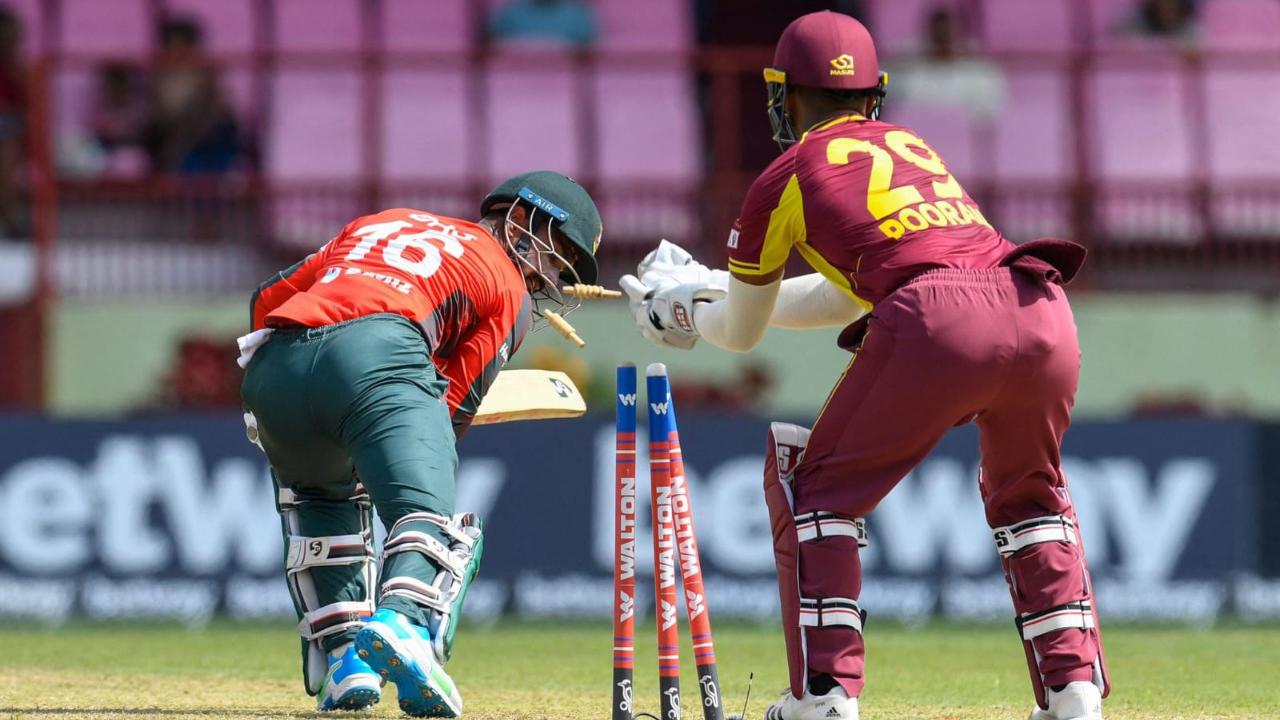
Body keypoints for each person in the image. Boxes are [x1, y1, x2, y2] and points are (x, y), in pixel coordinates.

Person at [621, 11, 1108, 720]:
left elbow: (742, 331)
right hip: (1039, 304)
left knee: (817, 490)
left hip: (938, 323)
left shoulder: (784, 176)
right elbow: (836, 293)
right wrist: (701, 284)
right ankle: (1075, 695)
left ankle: (824, 696)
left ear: (783, 98)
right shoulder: (910, 144)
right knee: (1030, 499)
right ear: (874, 94)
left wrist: (684, 308)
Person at [239, 171, 602, 716]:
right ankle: (404, 620)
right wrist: (391, 432)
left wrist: (276, 399)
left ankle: (345, 663)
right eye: (557, 256)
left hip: (271, 372)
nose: (550, 276)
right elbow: (450, 405)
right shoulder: (506, 283)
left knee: (323, 496)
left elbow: (267, 296)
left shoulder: (384, 221)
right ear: (523, 220)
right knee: (426, 514)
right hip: (379, 354)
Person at [893, 6, 1006, 121]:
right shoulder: (907, 77)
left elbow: (991, 120)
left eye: (947, 34)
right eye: (938, 35)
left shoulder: (983, 74)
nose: (943, 42)